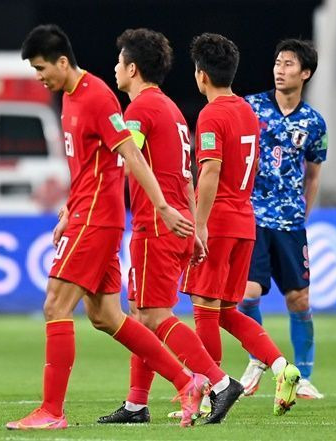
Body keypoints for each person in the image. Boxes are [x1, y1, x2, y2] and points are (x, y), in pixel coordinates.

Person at [6, 24, 210, 431]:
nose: (38, 76)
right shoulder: (67, 96)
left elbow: (131, 155)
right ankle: (188, 381)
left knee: (55, 306)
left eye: (42, 67)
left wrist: (162, 206)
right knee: (105, 315)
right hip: (85, 212)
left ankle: (52, 412)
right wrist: (67, 210)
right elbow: (87, 166)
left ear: (64, 61)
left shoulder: (97, 96)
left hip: (98, 217)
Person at [96, 28, 242, 425]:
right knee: (142, 315)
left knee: (154, 316)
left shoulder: (140, 111)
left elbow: (127, 158)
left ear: (132, 68)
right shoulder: (174, 111)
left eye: (118, 62)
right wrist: (195, 226)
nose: (114, 69)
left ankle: (217, 380)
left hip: (157, 224)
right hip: (177, 222)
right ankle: (135, 404)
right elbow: (188, 176)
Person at [180, 33, 301, 418]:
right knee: (229, 311)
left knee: (204, 310)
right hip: (245, 221)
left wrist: (199, 224)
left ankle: (211, 390)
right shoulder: (248, 111)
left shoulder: (212, 114)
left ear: (201, 75)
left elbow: (211, 168)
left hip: (219, 221)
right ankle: (283, 367)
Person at [238, 39, 327, 399]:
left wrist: (301, 216)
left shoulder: (314, 122)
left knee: (299, 300)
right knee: (247, 294)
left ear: (305, 73)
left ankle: (303, 376)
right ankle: (258, 359)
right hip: (253, 218)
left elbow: (314, 175)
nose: (280, 69)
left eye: (289, 64)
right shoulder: (251, 108)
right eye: (277, 63)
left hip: (290, 224)